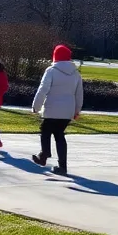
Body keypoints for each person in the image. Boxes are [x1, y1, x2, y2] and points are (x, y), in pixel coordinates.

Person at [31, 44, 83, 176]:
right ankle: (62, 166)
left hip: (52, 108)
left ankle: (44, 154)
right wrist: (77, 110)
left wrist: (36, 106)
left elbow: (43, 90)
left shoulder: (51, 71)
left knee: (45, 130)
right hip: (68, 110)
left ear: (55, 57)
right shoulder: (76, 73)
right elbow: (79, 94)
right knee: (59, 135)